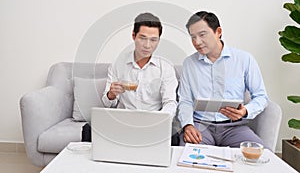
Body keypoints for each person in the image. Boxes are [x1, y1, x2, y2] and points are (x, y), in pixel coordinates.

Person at [82, 12, 179, 144]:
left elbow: (170, 103)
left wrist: (158, 121)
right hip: (123, 120)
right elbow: (108, 103)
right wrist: (111, 94)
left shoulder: (165, 67)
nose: (147, 45)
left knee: (173, 135)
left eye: (153, 40)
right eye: (143, 38)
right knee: (88, 129)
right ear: (133, 35)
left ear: (158, 40)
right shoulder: (118, 64)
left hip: (152, 122)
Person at [177, 11, 269, 148]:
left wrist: (245, 111)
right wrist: (188, 125)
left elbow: (261, 97)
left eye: (202, 35)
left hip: (234, 128)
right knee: (188, 156)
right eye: (193, 37)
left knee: (262, 155)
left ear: (218, 32)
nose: (197, 42)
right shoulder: (189, 63)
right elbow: (185, 100)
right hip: (200, 127)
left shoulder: (244, 59)